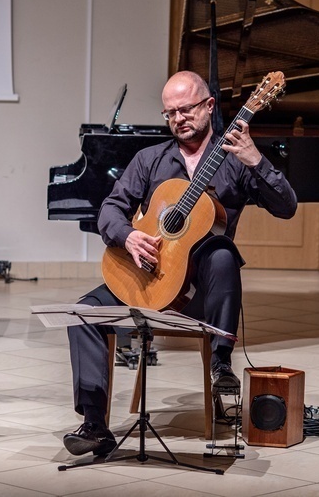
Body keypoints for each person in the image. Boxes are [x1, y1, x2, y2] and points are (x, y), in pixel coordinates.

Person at [63, 70, 297, 456]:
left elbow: (287, 207)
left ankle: (221, 362)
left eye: (185, 109)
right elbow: (110, 210)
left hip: (202, 297)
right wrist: (128, 235)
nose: (178, 119)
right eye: (170, 113)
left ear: (208, 107)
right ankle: (95, 425)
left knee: (221, 253)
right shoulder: (150, 159)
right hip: (147, 281)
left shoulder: (236, 158)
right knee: (83, 313)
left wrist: (256, 160)